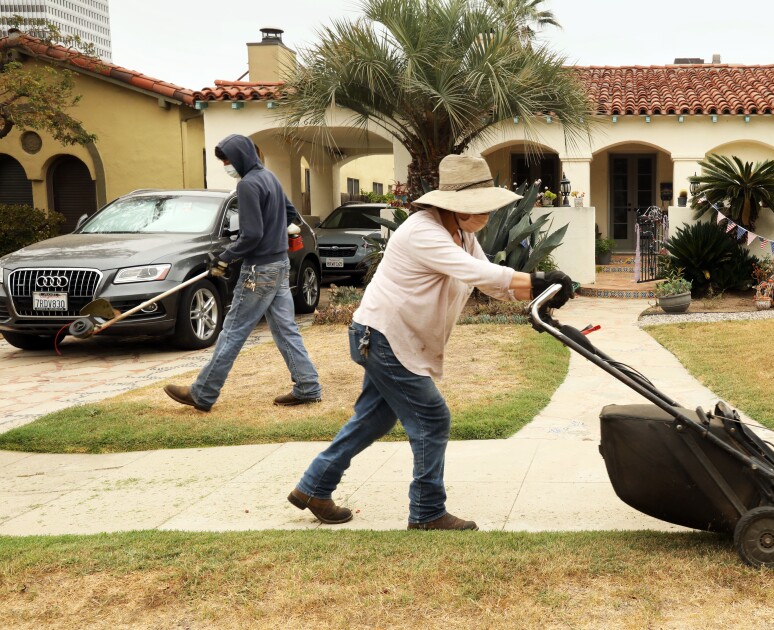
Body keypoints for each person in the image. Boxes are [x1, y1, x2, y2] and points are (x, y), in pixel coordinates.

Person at [288, 154, 573, 529]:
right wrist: (536, 279)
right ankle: (426, 512)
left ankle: (313, 486)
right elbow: (476, 271)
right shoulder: (423, 231)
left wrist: (540, 295)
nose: (486, 214)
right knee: (432, 417)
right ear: (452, 205)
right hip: (385, 336)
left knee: (372, 420)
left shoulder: (463, 234)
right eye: (478, 206)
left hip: (389, 335)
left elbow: (489, 282)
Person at [163, 134, 322, 412]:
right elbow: (293, 214)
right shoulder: (270, 177)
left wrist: (224, 258)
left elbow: (251, 235)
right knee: (286, 330)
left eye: (226, 159)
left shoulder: (247, 185)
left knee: (233, 332)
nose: (226, 164)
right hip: (280, 265)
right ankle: (308, 387)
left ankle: (203, 393)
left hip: (259, 271)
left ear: (240, 156)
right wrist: (281, 233)